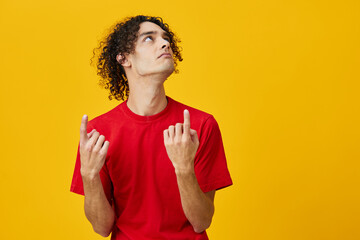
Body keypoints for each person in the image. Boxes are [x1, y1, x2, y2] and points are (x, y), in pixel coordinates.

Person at [70, 15, 233, 240]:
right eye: (149, 38)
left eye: (166, 38)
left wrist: (183, 168)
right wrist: (88, 175)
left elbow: (202, 221)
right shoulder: (98, 134)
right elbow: (101, 227)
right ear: (124, 58)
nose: (165, 43)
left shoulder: (200, 125)